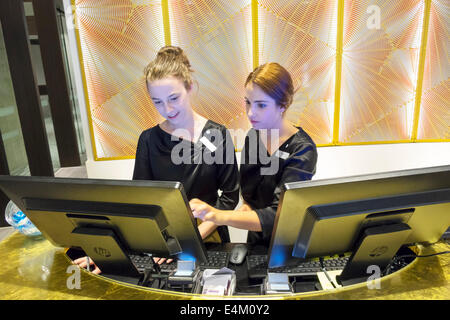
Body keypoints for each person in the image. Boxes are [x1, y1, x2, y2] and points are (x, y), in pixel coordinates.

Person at [74, 46, 240, 273]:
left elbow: (230, 197)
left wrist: (192, 239)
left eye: (174, 98)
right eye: (157, 102)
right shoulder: (149, 139)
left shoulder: (217, 134)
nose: (167, 109)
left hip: (208, 237)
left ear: (190, 87)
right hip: (162, 242)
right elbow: (139, 203)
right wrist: (110, 254)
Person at [190, 62, 317, 247]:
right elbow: (250, 201)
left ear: (283, 105)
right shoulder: (253, 137)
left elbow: (278, 215)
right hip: (256, 243)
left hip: (289, 245)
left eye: (261, 105)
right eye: (248, 102)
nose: (250, 112)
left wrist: (217, 215)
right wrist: (206, 225)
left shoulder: (302, 150)